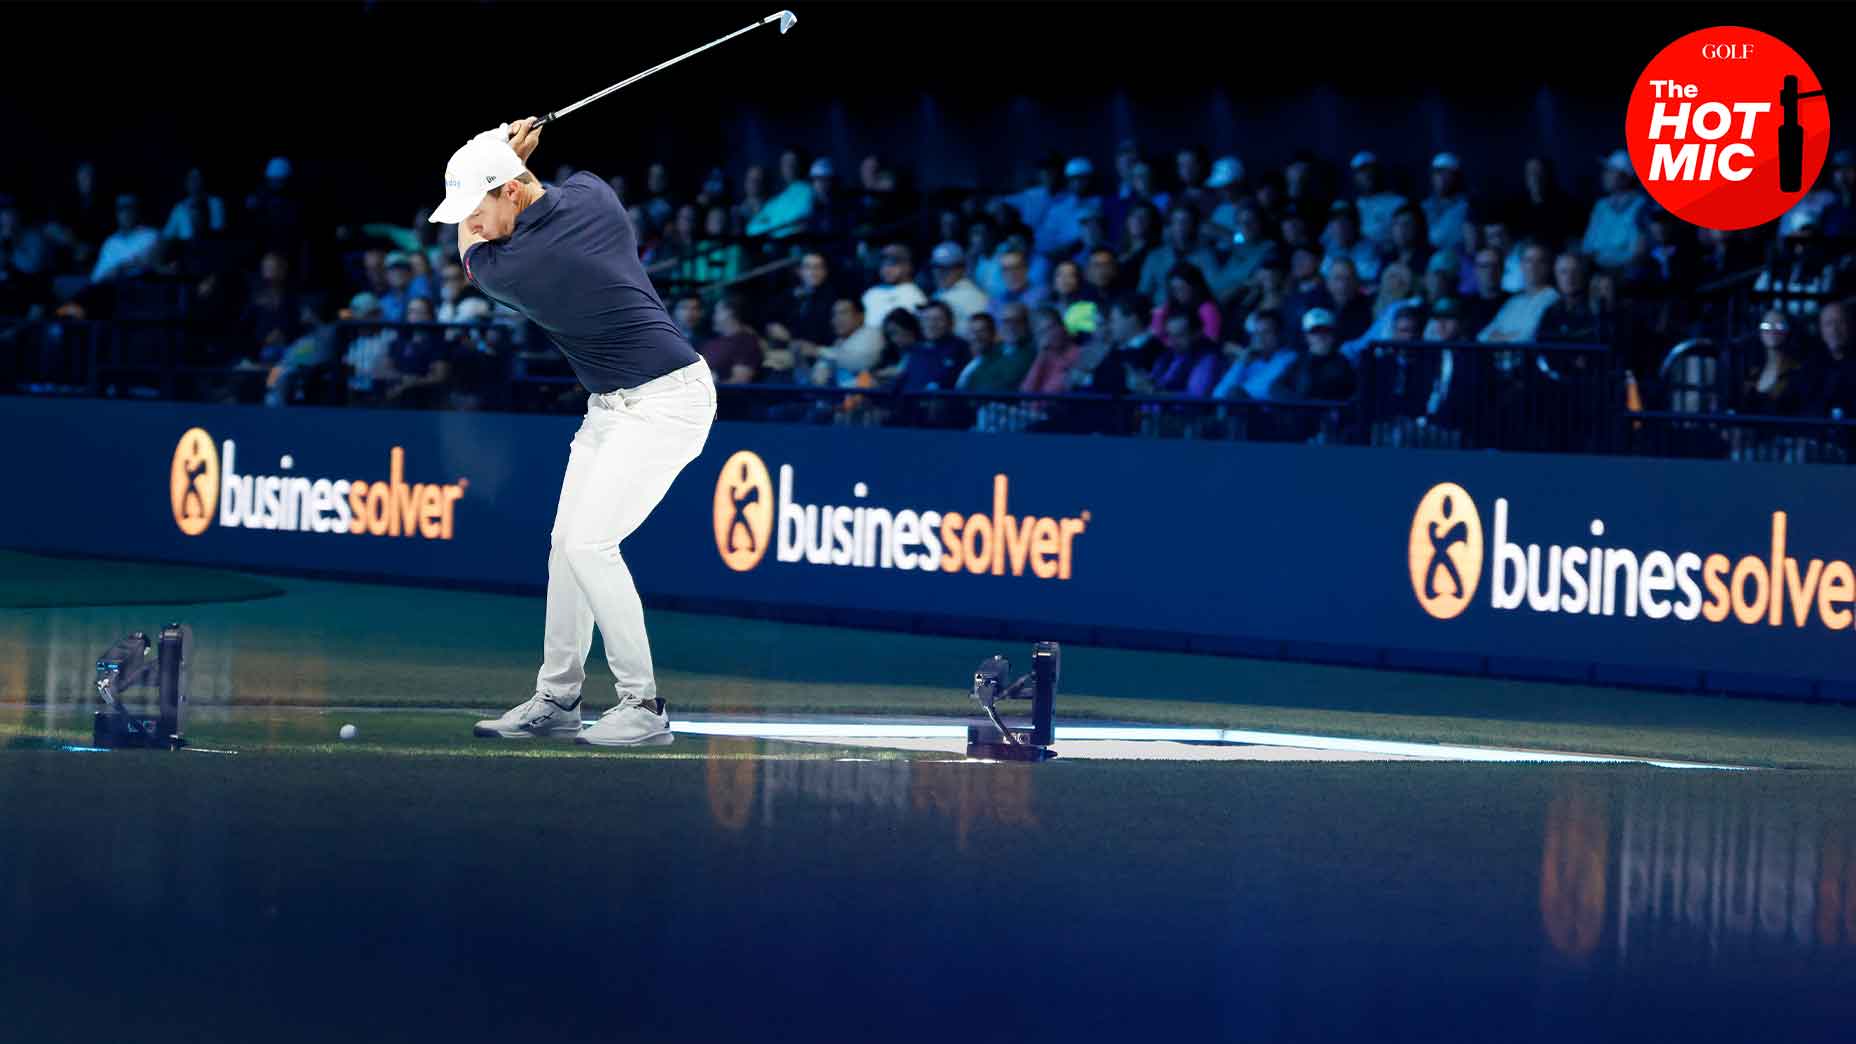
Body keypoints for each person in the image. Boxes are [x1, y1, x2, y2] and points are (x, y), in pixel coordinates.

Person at [438, 119, 715, 747]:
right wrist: (506, 160)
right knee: (568, 545)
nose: (471, 222)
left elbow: (469, 256)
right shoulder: (595, 196)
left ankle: (643, 704)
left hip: (666, 403)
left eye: (476, 209)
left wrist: (501, 154)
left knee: (591, 545)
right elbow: (549, 193)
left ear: (510, 191)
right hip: (614, 406)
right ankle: (558, 699)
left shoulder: (524, 266)